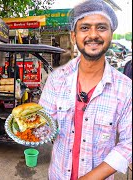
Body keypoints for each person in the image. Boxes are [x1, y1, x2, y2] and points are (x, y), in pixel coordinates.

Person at [39, 0, 132, 180]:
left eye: (101, 27)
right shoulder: (57, 80)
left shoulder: (125, 89)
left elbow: (128, 144)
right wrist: (31, 127)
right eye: (85, 28)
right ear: (74, 37)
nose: (93, 35)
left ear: (111, 34)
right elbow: (45, 123)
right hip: (57, 174)